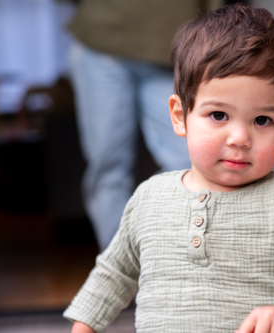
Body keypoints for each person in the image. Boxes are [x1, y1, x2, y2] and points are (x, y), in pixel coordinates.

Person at [64, 4, 274, 333]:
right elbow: (113, 274)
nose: (240, 138)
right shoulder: (149, 199)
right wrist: (83, 327)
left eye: (263, 120)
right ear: (179, 116)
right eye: (218, 115)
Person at [67, 0, 223, 250]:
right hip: (100, 42)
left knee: (193, 164)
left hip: (175, 46)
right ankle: (121, 272)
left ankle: (147, 257)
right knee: (108, 169)